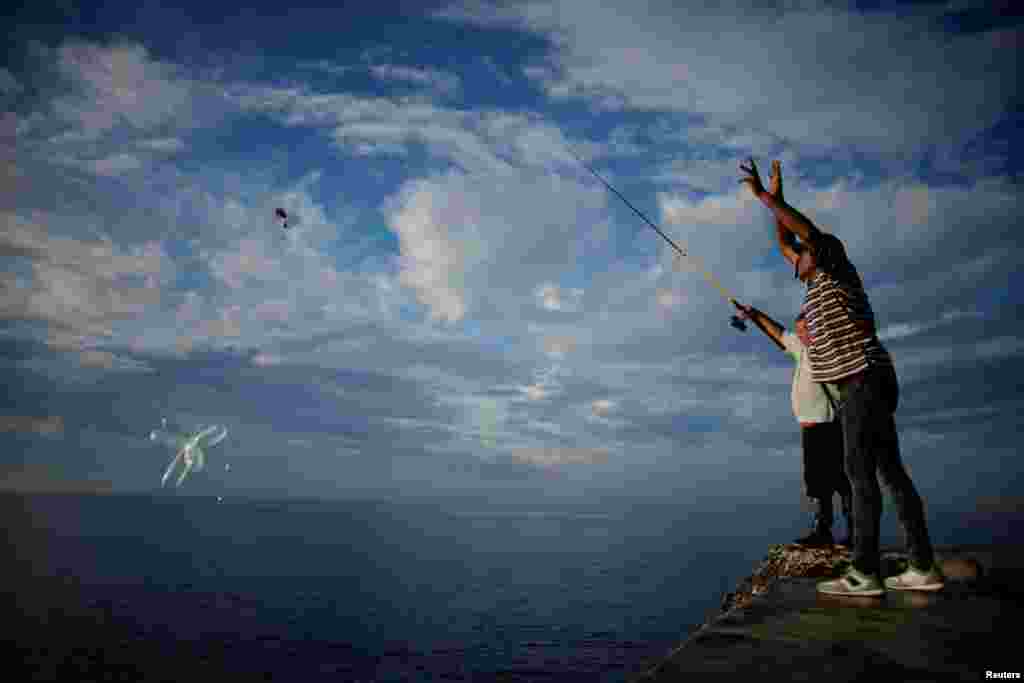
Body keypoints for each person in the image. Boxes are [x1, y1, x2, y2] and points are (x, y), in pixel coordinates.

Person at [739, 158, 944, 596]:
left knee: (859, 474)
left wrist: (767, 197)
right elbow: (784, 242)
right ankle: (922, 565)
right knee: (889, 472)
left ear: (816, 255)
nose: (795, 256)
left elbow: (805, 231)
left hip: (861, 380)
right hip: (869, 379)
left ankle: (864, 572)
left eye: (803, 251)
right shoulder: (813, 284)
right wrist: (772, 207)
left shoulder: (834, 267)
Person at [733, 302, 853, 548]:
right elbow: (778, 332)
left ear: (818, 330)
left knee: (841, 480)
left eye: (805, 330)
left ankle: (854, 531)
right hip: (811, 428)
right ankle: (824, 531)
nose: (800, 335)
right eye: (799, 331)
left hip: (828, 426)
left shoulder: (827, 354)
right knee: (818, 482)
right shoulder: (803, 350)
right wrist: (755, 314)